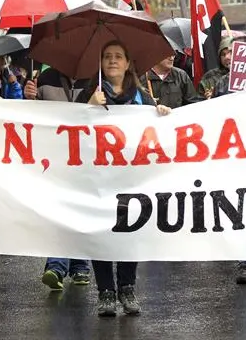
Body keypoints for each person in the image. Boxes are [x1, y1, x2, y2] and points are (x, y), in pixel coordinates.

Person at [78, 40, 172, 317]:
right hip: (99, 177)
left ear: (128, 63)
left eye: (118, 56)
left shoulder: (140, 95)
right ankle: (106, 291)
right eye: (107, 56)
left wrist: (161, 113)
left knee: (130, 232)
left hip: (131, 178)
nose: (112, 61)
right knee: (102, 233)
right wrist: (88, 106)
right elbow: (71, 128)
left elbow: (153, 127)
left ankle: (127, 288)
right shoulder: (90, 92)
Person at [23, 66, 92, 290]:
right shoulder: (45, 78)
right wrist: (29, 99)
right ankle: (59, 265)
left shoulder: (95, 78)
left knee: (80, 208)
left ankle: (77, 265)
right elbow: (30, 119)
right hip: (53, 155)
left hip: (86, 155)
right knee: (60, 208)